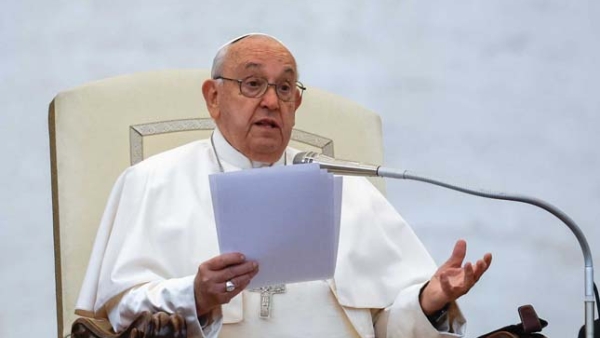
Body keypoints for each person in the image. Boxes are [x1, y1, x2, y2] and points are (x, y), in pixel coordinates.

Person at [76, 33, 492, 338]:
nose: (271, 102)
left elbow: (387, 328)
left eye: (285, 88)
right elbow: (118, 314)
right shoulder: (152, 181)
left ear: (297, 104)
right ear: (213, 97)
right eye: (253, 84)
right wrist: (196, 295)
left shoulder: (346, 187)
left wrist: (428, 301)